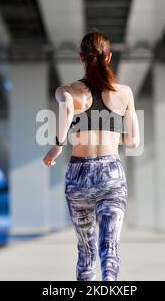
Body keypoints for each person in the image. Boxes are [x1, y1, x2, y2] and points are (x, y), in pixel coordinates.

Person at [43, 31, 140, 281]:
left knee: (86, 252)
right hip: (111, 175)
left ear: (81, 58)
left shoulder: (68, 91)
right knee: (110, 249)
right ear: (108, 57)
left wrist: (58, 145)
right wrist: (111, 135)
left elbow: (65, 106)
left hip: (79, 174)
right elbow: (133, 141)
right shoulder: (124, 92)